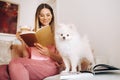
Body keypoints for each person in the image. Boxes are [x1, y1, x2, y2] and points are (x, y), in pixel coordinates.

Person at [9, 3, 64, 80]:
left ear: (52, 16)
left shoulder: (58, 34)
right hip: (32, 65)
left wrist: (49, 53)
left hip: (50, 66)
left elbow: (62, 60)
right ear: (38, 16)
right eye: (42, 15)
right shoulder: (33, 34)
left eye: (48, 15)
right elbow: (26, 57)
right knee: (2, 70)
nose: (45, 18)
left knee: (15, 62)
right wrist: (22, 41)